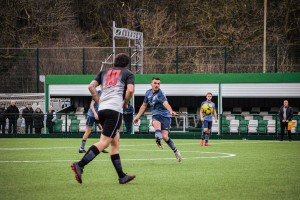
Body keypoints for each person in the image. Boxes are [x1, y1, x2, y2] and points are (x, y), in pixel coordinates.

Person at [71, 53, 136, 185]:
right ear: (126, 64)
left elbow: (91, 87)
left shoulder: (103, 72)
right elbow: (130, 90)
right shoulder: (128, 73)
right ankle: (80, 164)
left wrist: (99, 100)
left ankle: (122, 176)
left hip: (102, 110)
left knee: (115, 142)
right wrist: (125, 103)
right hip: (114, 110)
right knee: (105, 142)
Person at [133, 77, 182, 162]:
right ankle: (158, 138)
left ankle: (176, 151)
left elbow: (165, 103)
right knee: (156, 123)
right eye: (155, 83)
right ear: (151, 84)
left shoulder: (160, 93)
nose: (157, 85)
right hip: (156, 114)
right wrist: (137, 116)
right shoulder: (148, 93)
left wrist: (171, 111)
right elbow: (144, 105)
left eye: (158, 83)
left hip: (165, 116)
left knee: (165, 137)